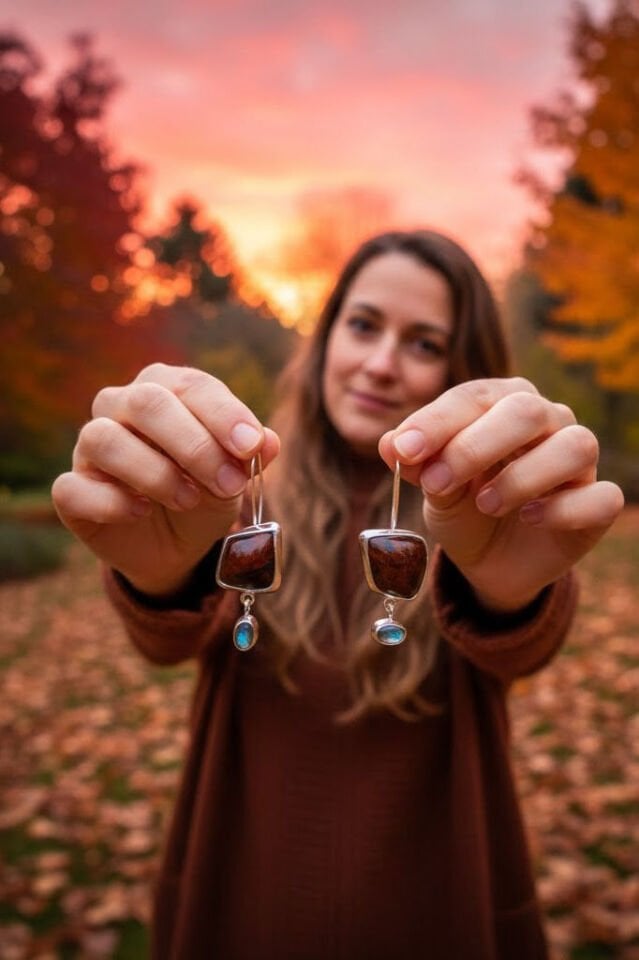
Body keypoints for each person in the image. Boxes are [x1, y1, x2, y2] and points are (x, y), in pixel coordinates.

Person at [52, 230, 624, 960]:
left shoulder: (492, 516)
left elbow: (522, 639)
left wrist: (506, 591)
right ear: (324, 340)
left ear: (463, 369)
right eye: (362, 325)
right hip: (245, 887)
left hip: (439, 896)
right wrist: (159, 571)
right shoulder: (236, 497)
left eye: (423, 343)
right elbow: (167, 639)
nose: (380, 364)